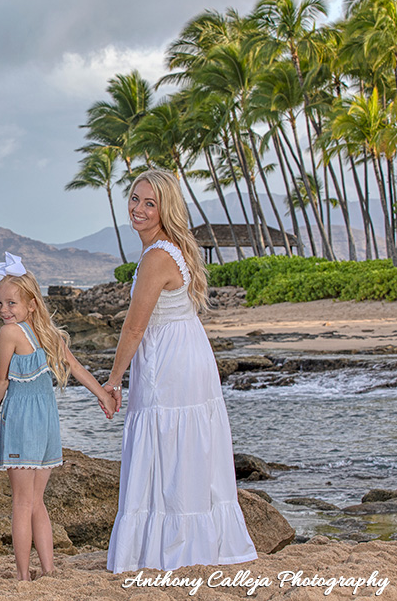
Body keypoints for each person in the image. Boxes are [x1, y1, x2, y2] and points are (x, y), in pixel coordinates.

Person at [104, 169, 258, 573]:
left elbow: (134, 327)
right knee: (186, 446)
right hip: (187, 349)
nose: (138, 209)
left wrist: (114, 380)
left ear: (165, 209)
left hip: (169, 360)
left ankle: (175, 548)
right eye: (135, 198)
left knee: (169, 445)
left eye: (149, 203)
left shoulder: (157, 256)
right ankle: (195, 543)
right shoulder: (172, 248)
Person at [0, 253, 117, 581]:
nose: (3, 310)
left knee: (21, 503)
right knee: (36, 502)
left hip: (22, 421)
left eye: (11, 303)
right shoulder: (48, 333)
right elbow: (77, 368)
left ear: (31, 304)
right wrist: (103, 395)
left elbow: (0, 381)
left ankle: (23, 575)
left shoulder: (10, 333)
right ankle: (49, 569)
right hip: (47, 422)